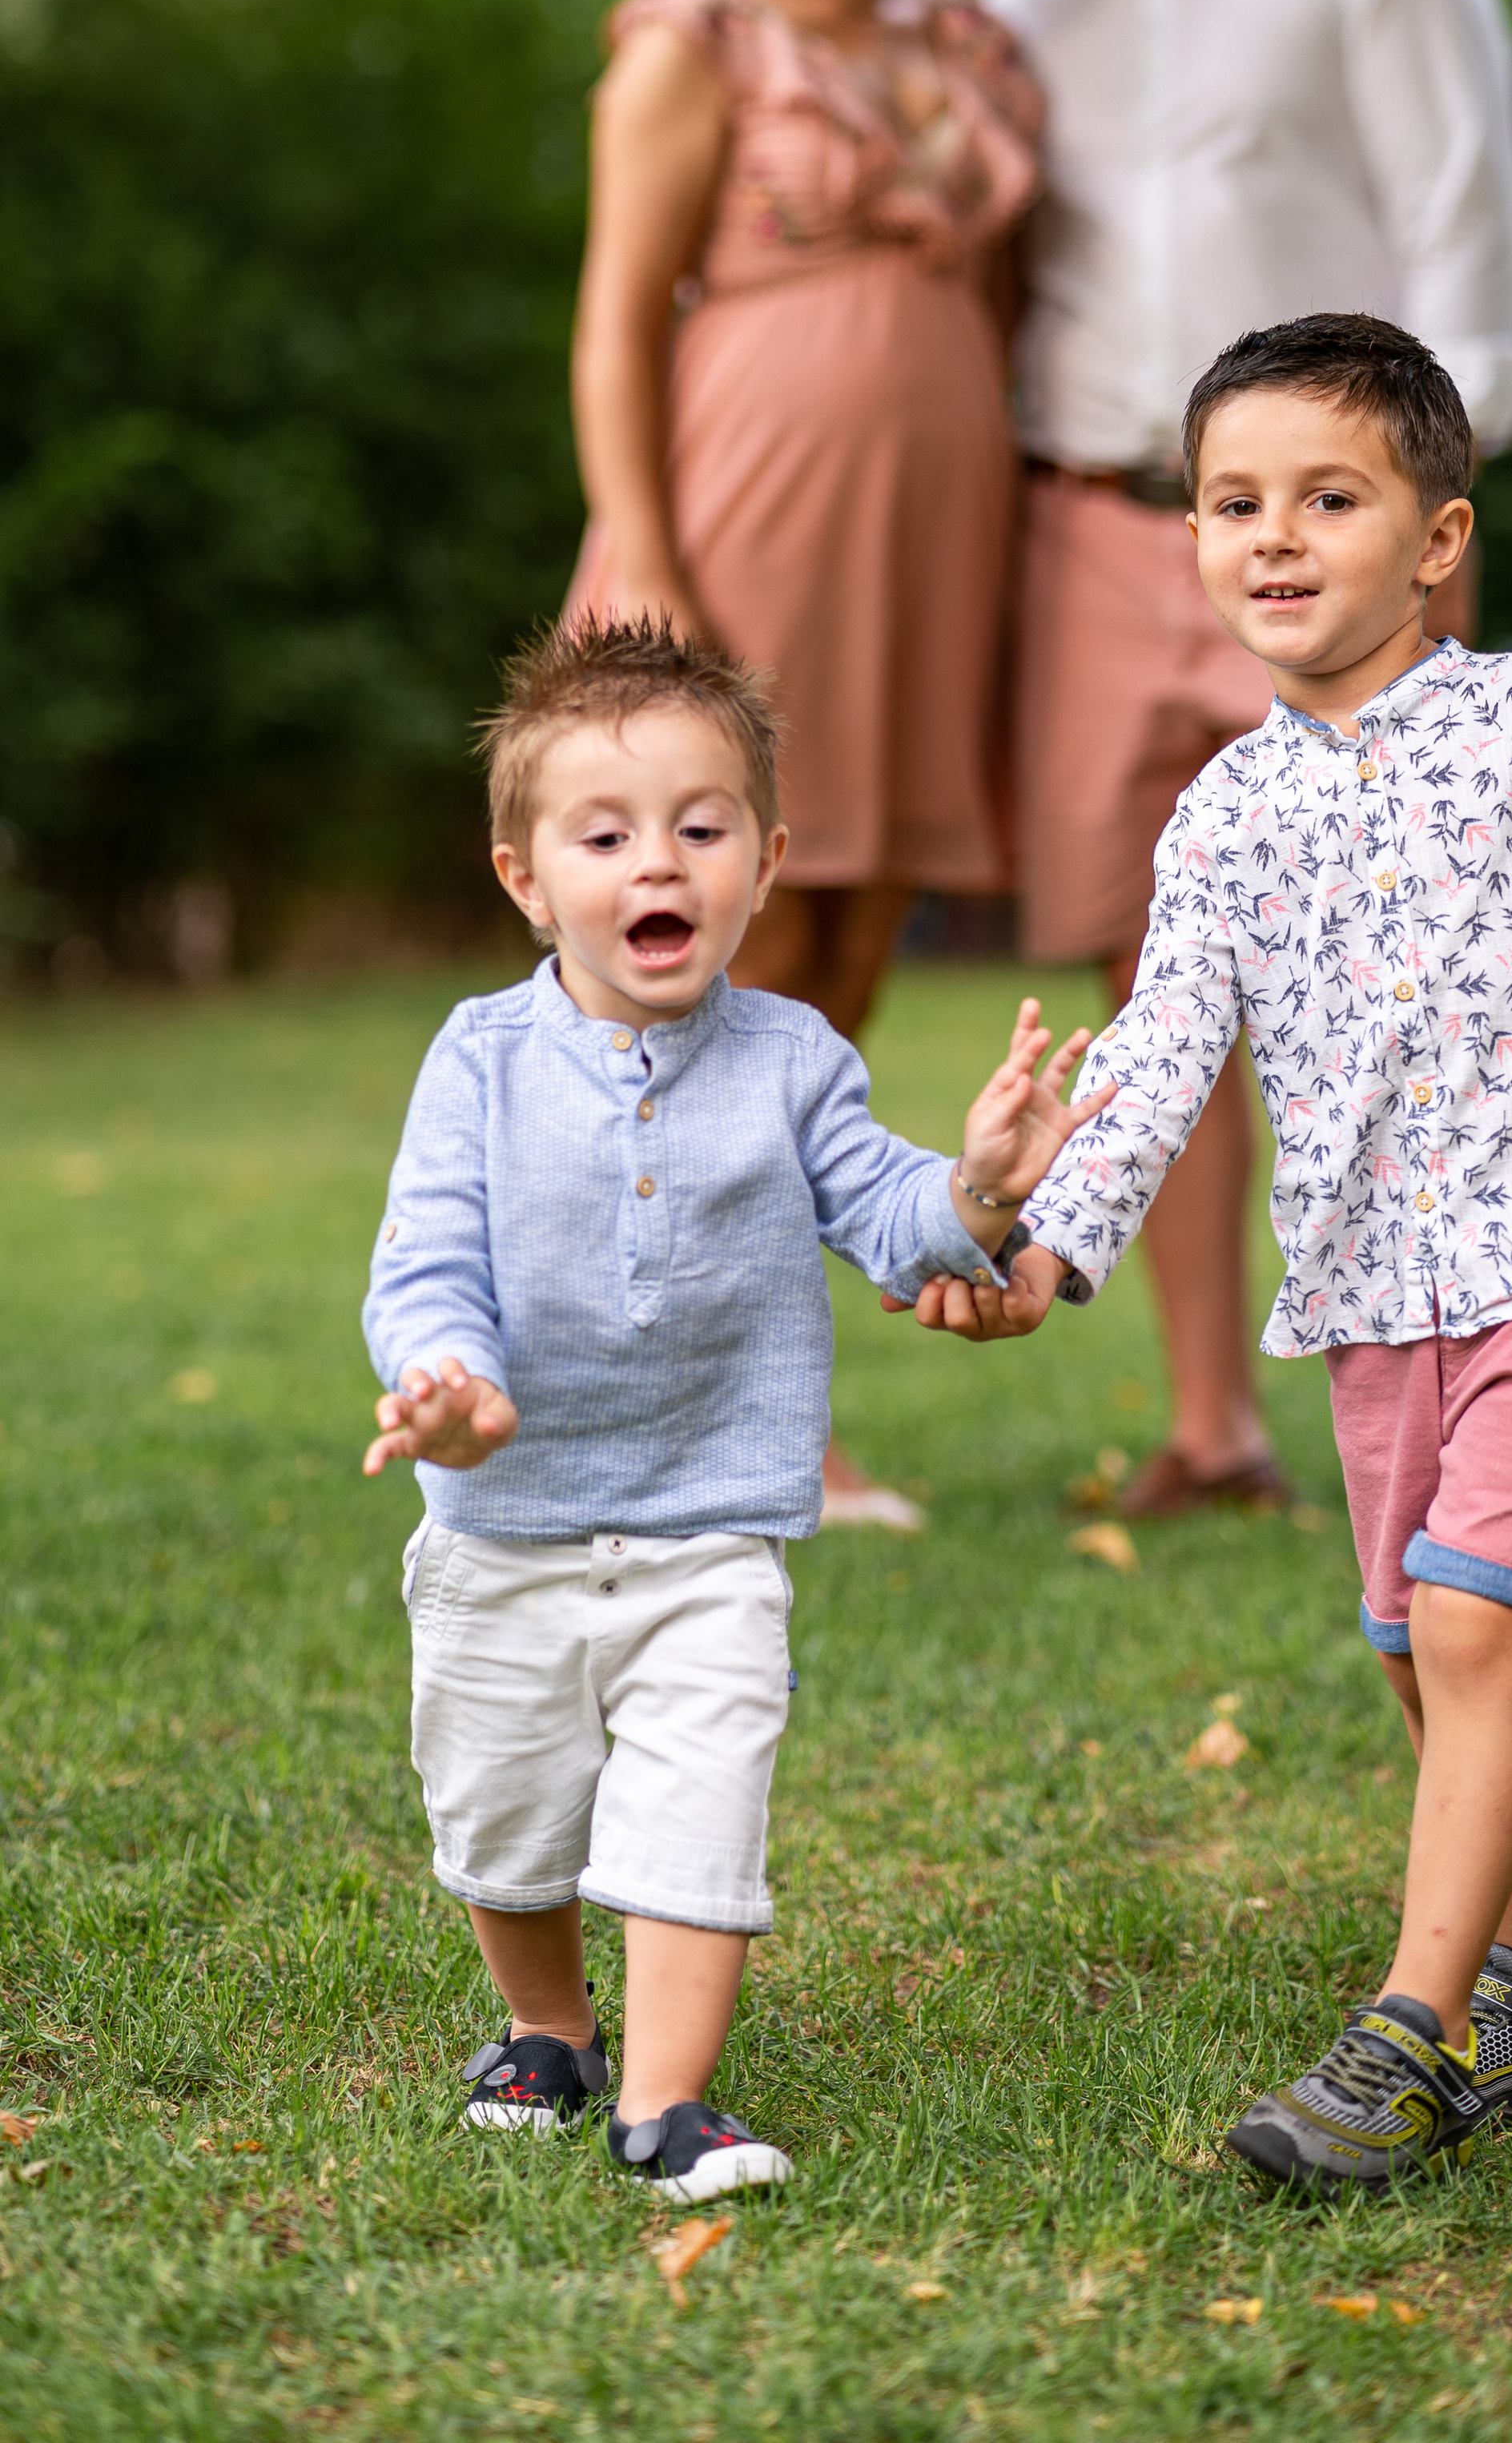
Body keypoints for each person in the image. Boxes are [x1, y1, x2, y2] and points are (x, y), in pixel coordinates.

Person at [902, 313, 1512, 2191]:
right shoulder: (1220, 814)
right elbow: (1153, 1069)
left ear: (1436, 535)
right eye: (1229, 502)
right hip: (1376, 1289)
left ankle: (1410, 2037)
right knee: (1412, 1644)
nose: (1269, 536)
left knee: (1469, 1621)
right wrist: (1033, 1257)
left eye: (1326, 497)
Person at [360, 617, 1108, 2203]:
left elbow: (894, 1213)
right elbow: (424, 1251)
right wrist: (448, 1382)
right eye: (609, 834)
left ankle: (666, 2104)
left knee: (699, 1806)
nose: (661, 865)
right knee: (504, 1814)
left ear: (763, 864)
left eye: (701, 830)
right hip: (504, 1526)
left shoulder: (792, 1060)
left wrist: (981, 1181)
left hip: (714, 1524)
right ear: (526, 877)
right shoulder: (479, 1060)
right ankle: (545, 2030)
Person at [983, 0, 1512, 1522]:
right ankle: (1211, 1423)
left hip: (1325, 537)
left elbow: (1466, 255)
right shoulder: (1008, 18)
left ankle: (1465, 1401)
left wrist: (1419, 538)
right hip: (1088, 531)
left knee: (1390, 974)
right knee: (1167, 980)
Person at [567, 0, 1043, 1527]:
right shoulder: (692, 37)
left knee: (836, 990)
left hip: (930, 550)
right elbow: (612, 327)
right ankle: (642, 1410)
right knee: (704, 980)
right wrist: (655, 567)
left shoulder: (969, 42)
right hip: (742, 534)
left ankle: (780, 1426)